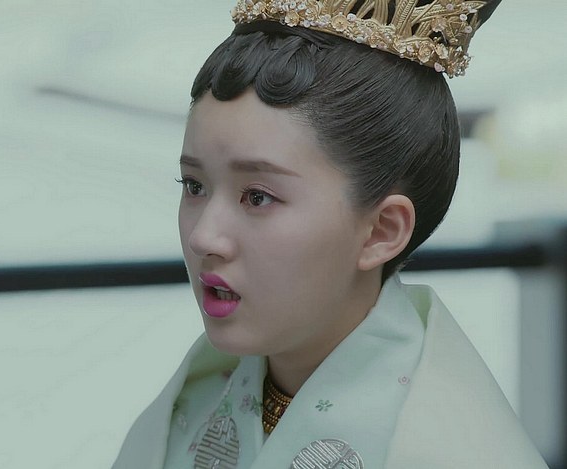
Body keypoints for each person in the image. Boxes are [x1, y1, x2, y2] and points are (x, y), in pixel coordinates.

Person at [114, 0, 550, 467]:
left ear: (381, 230)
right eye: (194, 186)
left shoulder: (446, 452)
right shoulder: (190, 405)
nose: (204, 237)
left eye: (257, 197)